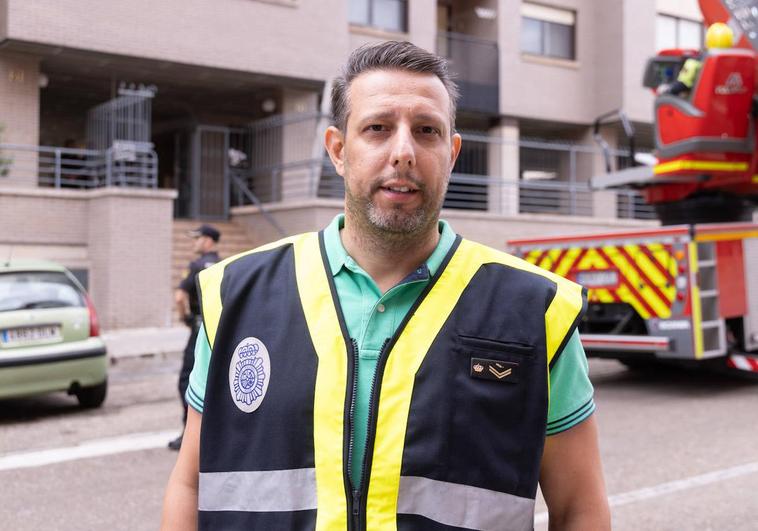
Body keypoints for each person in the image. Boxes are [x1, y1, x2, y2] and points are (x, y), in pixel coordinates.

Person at [162, 41, 610, 530]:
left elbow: (579, 509)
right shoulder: (236, 295)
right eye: (377, 128)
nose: (403, 152)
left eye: (427, 131)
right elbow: (191, 484)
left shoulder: (536, 311)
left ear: (452, 152)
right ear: (337, 149)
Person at [167, 224, 221, 451]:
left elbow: (180, 297)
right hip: (219, 326)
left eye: (197, 239)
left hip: (200, 325)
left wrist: (186, 318)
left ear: (208, 240)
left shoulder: (196, 266)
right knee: (215, 381)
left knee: (188, 380)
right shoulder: (222, 264)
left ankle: (189, 433)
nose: (194, 243)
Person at [660, 22, 734, 97]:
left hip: (701, 106)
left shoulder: (695, 63)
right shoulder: (736, 65)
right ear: (731, 42)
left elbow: (681, 85)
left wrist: (666, 89)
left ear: (708, 41)